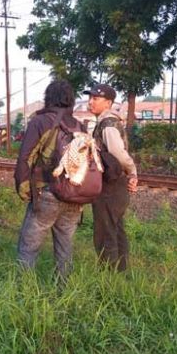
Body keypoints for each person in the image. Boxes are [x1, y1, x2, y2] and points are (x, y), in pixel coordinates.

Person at [14, 79, 86, 283]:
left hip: (47, 192)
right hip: (74, 195)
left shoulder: (40, 122)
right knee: (65, 247)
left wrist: (22, 187)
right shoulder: (79, 125)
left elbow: (25, 158)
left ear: (49, 98)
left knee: (29, 246)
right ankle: (63, 289)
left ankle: (24, 290)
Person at [85, 84, 138, 272]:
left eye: (96, 98)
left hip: (109, 186)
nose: (91, 101)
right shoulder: (108, 122)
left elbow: (117, 152)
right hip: (115, 186)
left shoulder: (107, 123)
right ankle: (121, 273)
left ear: (108, 102)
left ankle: (109, 278)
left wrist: (132, 171)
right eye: (90, 97)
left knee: (105, 233)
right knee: (116, 230)